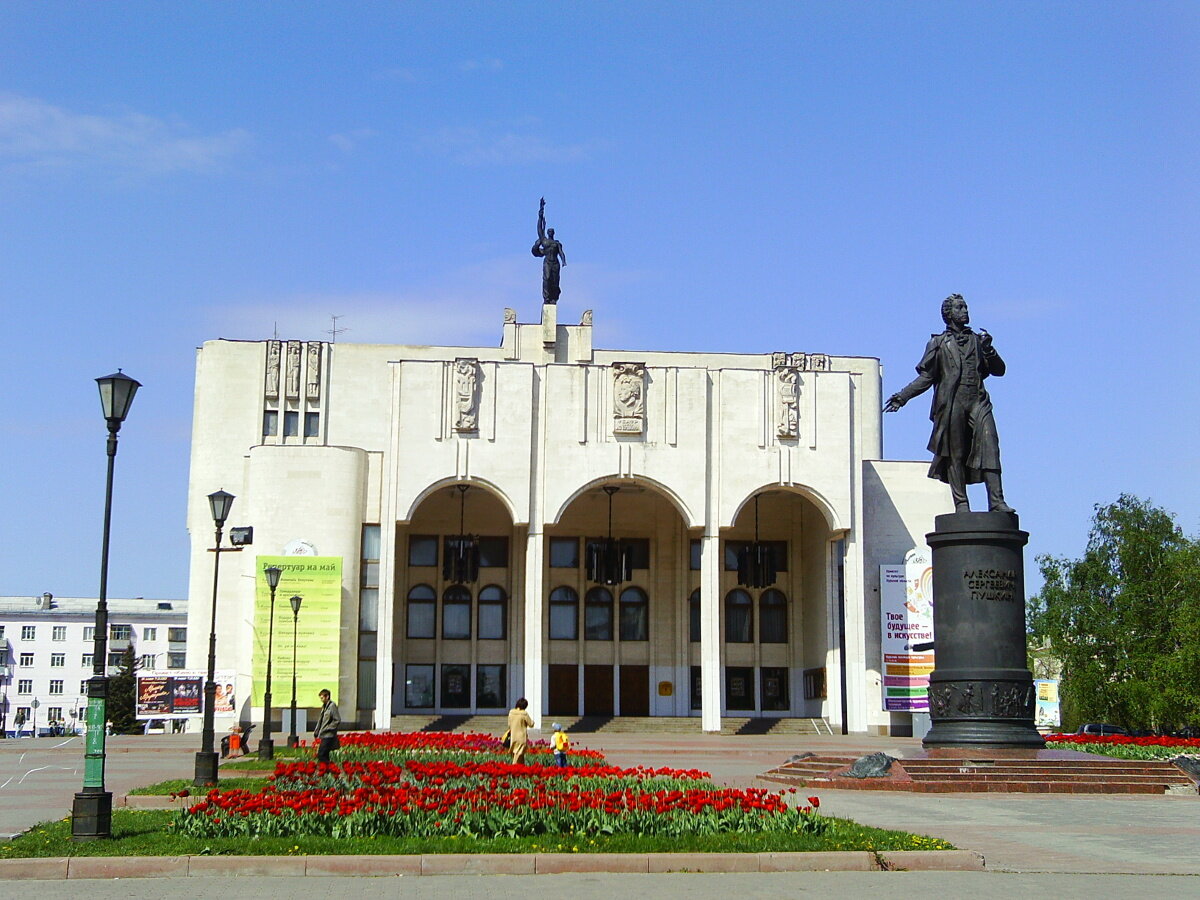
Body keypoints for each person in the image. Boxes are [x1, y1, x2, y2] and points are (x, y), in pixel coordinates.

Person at [884, 294, 1014, 514]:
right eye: (960, 308)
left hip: (978, 402)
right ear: (948, 314)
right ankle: (961, 504)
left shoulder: (977, 340)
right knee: (956, 453)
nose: (965, 311)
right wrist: (902, 397)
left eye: (966, 307)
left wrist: (989, 349)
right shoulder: (938, 343)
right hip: (952, 404)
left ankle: (997, 501)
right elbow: (926, 377)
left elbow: (999, 370)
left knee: (990, 444)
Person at [531, 197, 566, 303]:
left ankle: (554, 298)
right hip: (547, 262)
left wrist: (564, 261)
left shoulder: (556, 243)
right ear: (548, 232)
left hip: (555, 263)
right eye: (549, 231)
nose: (550, 232)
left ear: (553, 233)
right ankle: (546, 298)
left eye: (552, 231)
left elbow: (561, 252)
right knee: (547, 279)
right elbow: (539, 228)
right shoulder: (544, 240)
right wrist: (540, 213)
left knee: (555, 281)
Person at [312, 688, 341, 764]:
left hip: (329, 735)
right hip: (323, 735)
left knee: (321, 754)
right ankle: (327, 771)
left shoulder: (332, 706)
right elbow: (321, 720)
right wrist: (317, 730)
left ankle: (330, 768)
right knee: (325, 755)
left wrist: (328, 728)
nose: (321, 700)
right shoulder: (324, 707)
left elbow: (337, 720)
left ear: (327, 697)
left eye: (322, 698)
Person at [506, 697, 533, 765]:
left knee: (520, 754)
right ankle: (513, 768)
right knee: (518, 753)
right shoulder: (524, 714)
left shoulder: (511, 712)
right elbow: (531, 724)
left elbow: (509, 724)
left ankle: (522, 768)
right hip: (521, 737)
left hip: (513, 736)